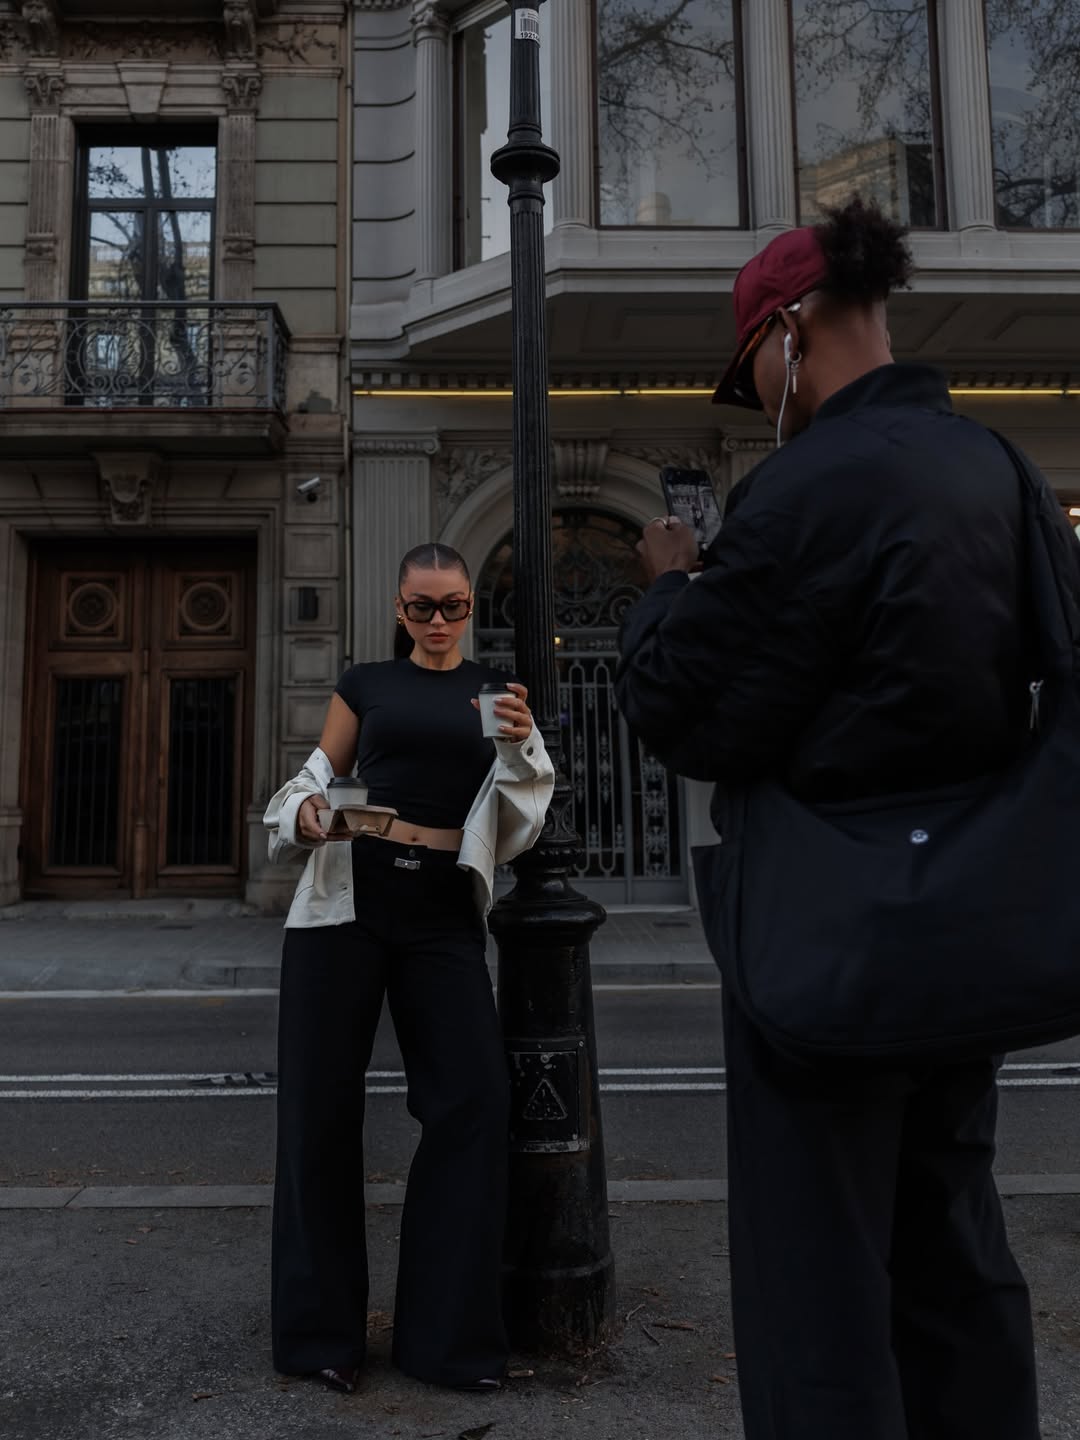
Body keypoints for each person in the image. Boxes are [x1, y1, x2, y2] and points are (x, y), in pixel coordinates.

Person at [614, 197, 1043, 1439]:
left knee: (821, 1285)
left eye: (755, 367)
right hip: (966, 930)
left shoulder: (806, 494)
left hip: (826, 945)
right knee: (955, 1247)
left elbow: (685, 709)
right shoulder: (999, 473)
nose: (762, 398)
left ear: (790, 329)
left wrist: (668, 590)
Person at [263, 541, 554, 1395]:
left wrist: (524, 741)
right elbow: (321, 773)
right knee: (318, 1114)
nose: (437, 621)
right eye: (423, 607)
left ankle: (448, 1344)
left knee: (473, 1104)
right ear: (399, 609)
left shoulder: (495, 695)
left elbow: (522, 814)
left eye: (453, 606)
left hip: (442, 919)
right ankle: (321, 1338)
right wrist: (311, 810)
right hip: (345, 907)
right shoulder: (366, 685)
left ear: (472, 607)